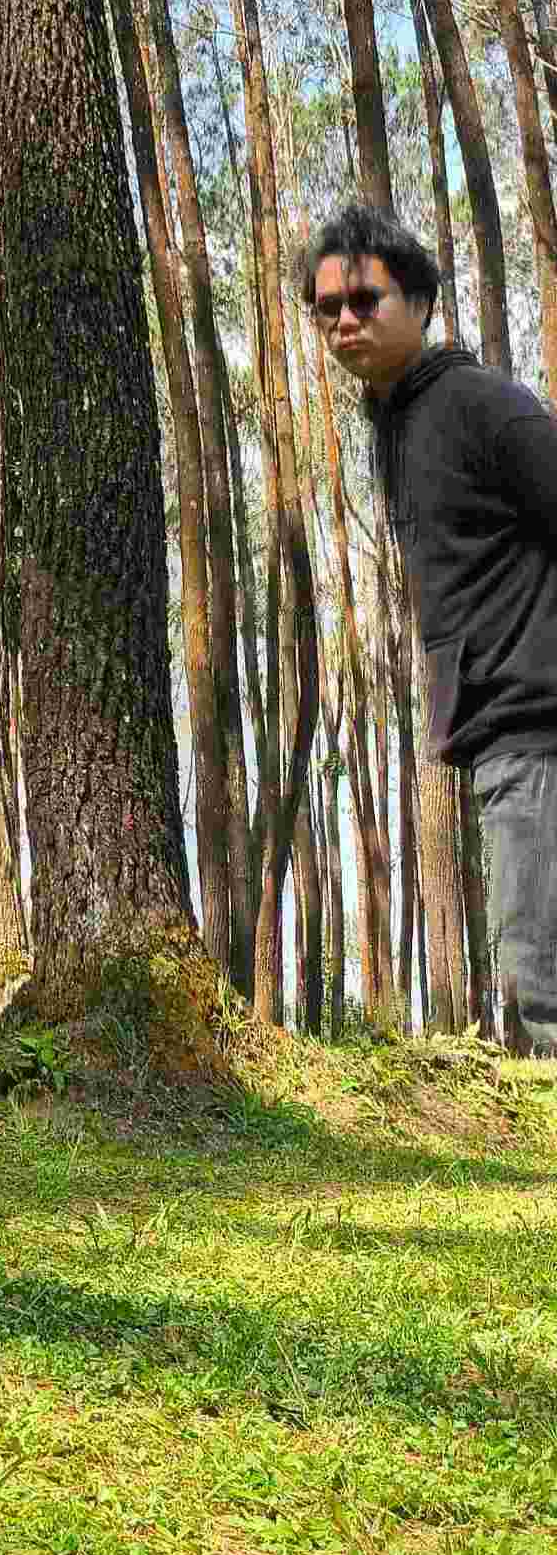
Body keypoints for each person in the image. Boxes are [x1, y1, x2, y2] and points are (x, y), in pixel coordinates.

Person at [302, 193, 557, 1053]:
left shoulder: (483, 406)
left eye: (364, 301)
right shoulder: (397, 424)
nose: (343, 322)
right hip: (500, 737)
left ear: (418, 301)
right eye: (327, 307)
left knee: (544, 989)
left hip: (538, 730)